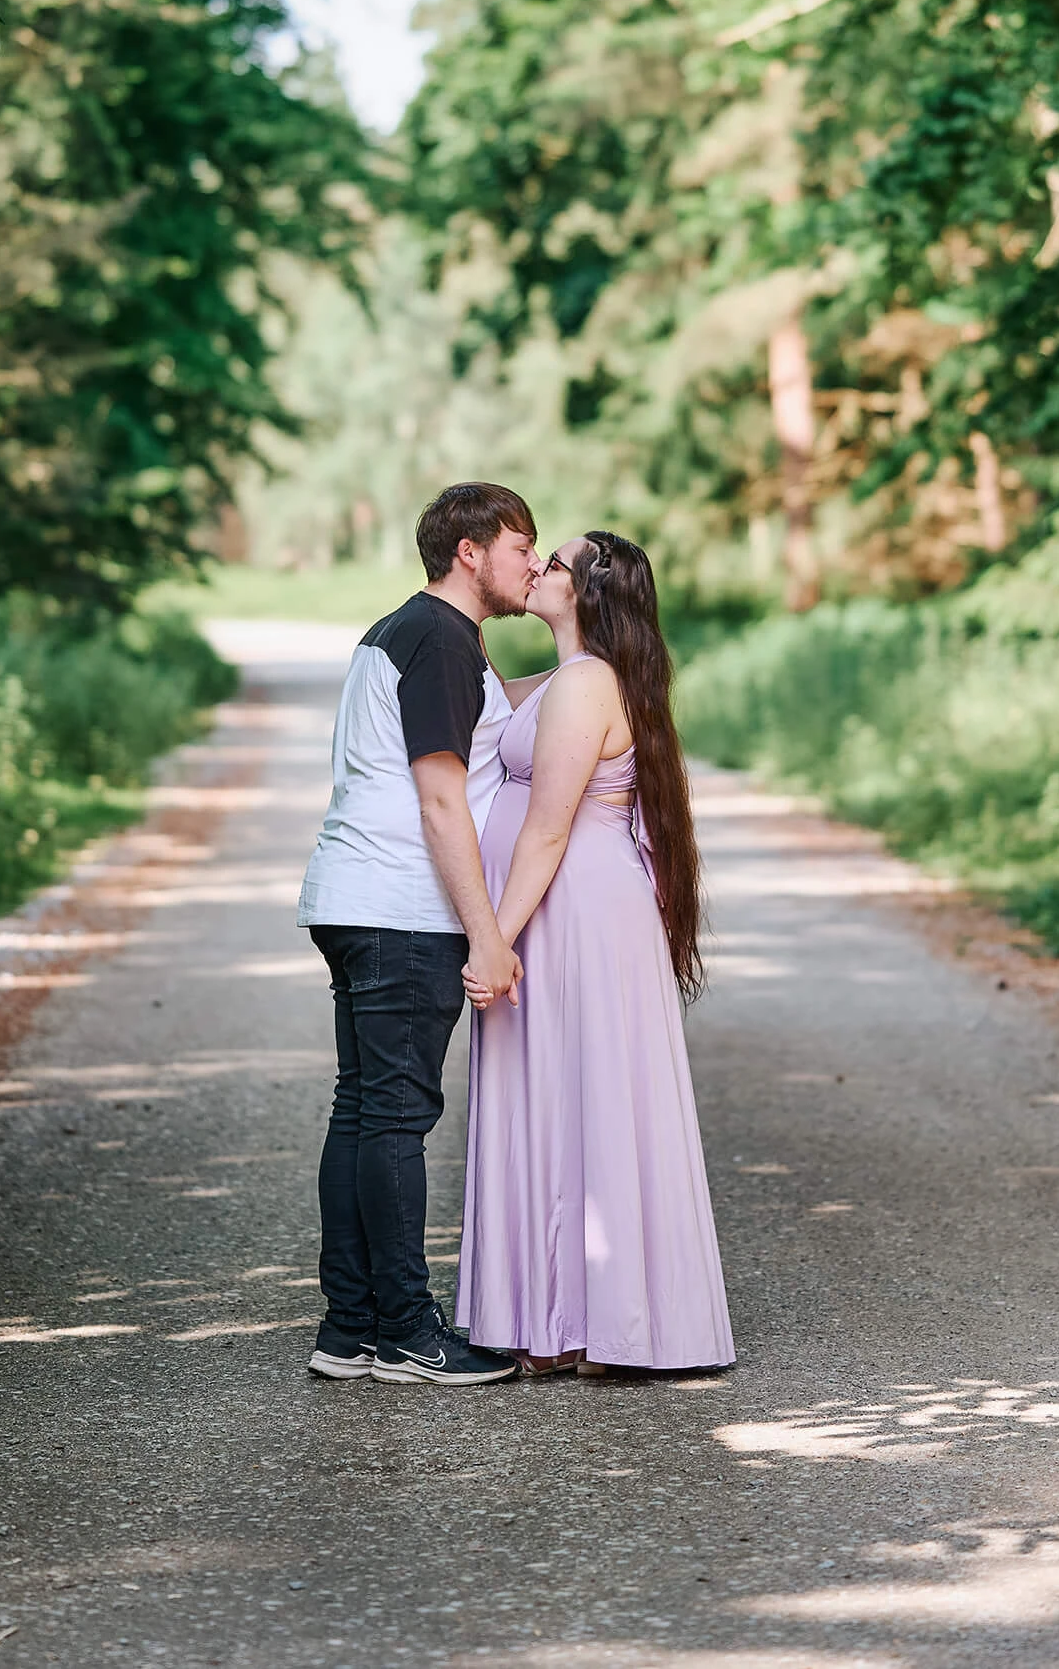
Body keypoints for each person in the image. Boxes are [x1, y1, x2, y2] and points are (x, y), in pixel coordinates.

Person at [456, 530, 735, 1375]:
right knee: (564, 1096)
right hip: (562, 906)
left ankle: (598, 1324)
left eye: (553, 563)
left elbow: (547, 830)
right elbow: (482, 695)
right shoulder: (564, 678)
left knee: (582, 1095)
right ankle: (567, 1320)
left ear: (585, 592)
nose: (537, 568)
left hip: (571, 910)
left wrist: (493, 940)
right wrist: (461, 604)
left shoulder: (585, 685)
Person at [297, 481, 540, 1386]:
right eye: (521, 546)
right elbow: (442, 800)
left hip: (353, 898)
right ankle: (404, 1331)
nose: (533, 564)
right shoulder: (440, 640)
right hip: (403, 907)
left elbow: (491, 715)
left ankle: (350, 1329)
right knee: (396, 1118)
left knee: (363, 1110)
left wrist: (590, 666)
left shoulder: (411, 630)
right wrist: (487, 935)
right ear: (469, 551)